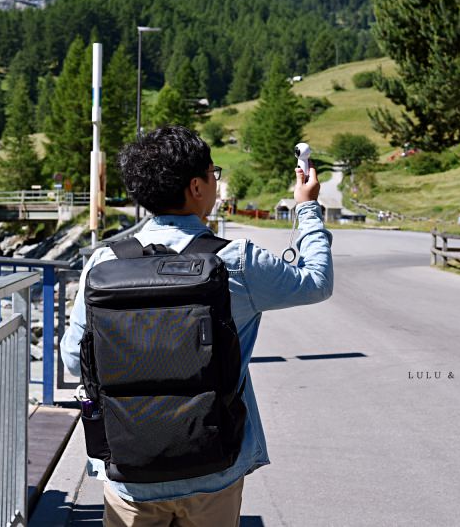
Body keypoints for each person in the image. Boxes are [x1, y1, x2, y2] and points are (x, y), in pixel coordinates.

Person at [60, 126, 334, 526]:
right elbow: (316, 282)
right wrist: (306, 208)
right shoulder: (236, 261)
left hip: (129, 472)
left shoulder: (102, 265)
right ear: (195, 187)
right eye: (213, 174)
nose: (215, 183)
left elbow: (74, 359)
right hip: (213, 468)